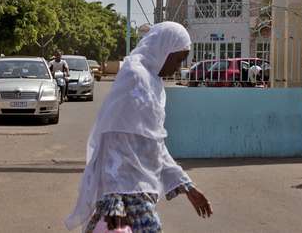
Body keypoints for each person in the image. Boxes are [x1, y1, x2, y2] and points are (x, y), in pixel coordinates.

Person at [65, 22, 213, 232]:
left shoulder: (154, 83)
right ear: (164, 49)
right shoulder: (135, 76)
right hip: (124, 193)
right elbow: (112, 138)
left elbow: (154, 144)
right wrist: (113, 200)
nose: (178, 67)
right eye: (178, 59)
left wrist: (187, 186)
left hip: (142, 189)